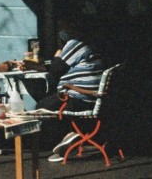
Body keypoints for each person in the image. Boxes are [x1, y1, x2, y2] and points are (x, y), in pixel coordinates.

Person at [33, 18, 105, 163]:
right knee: (49, 100)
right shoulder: (91, 44)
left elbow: (55, 69)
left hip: (78, 98)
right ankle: (70, 135)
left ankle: (64, 137)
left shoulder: (75, 44)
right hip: (91, 97)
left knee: (41, 106)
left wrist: (58, 53)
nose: (61, 31)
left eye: (63, 26)